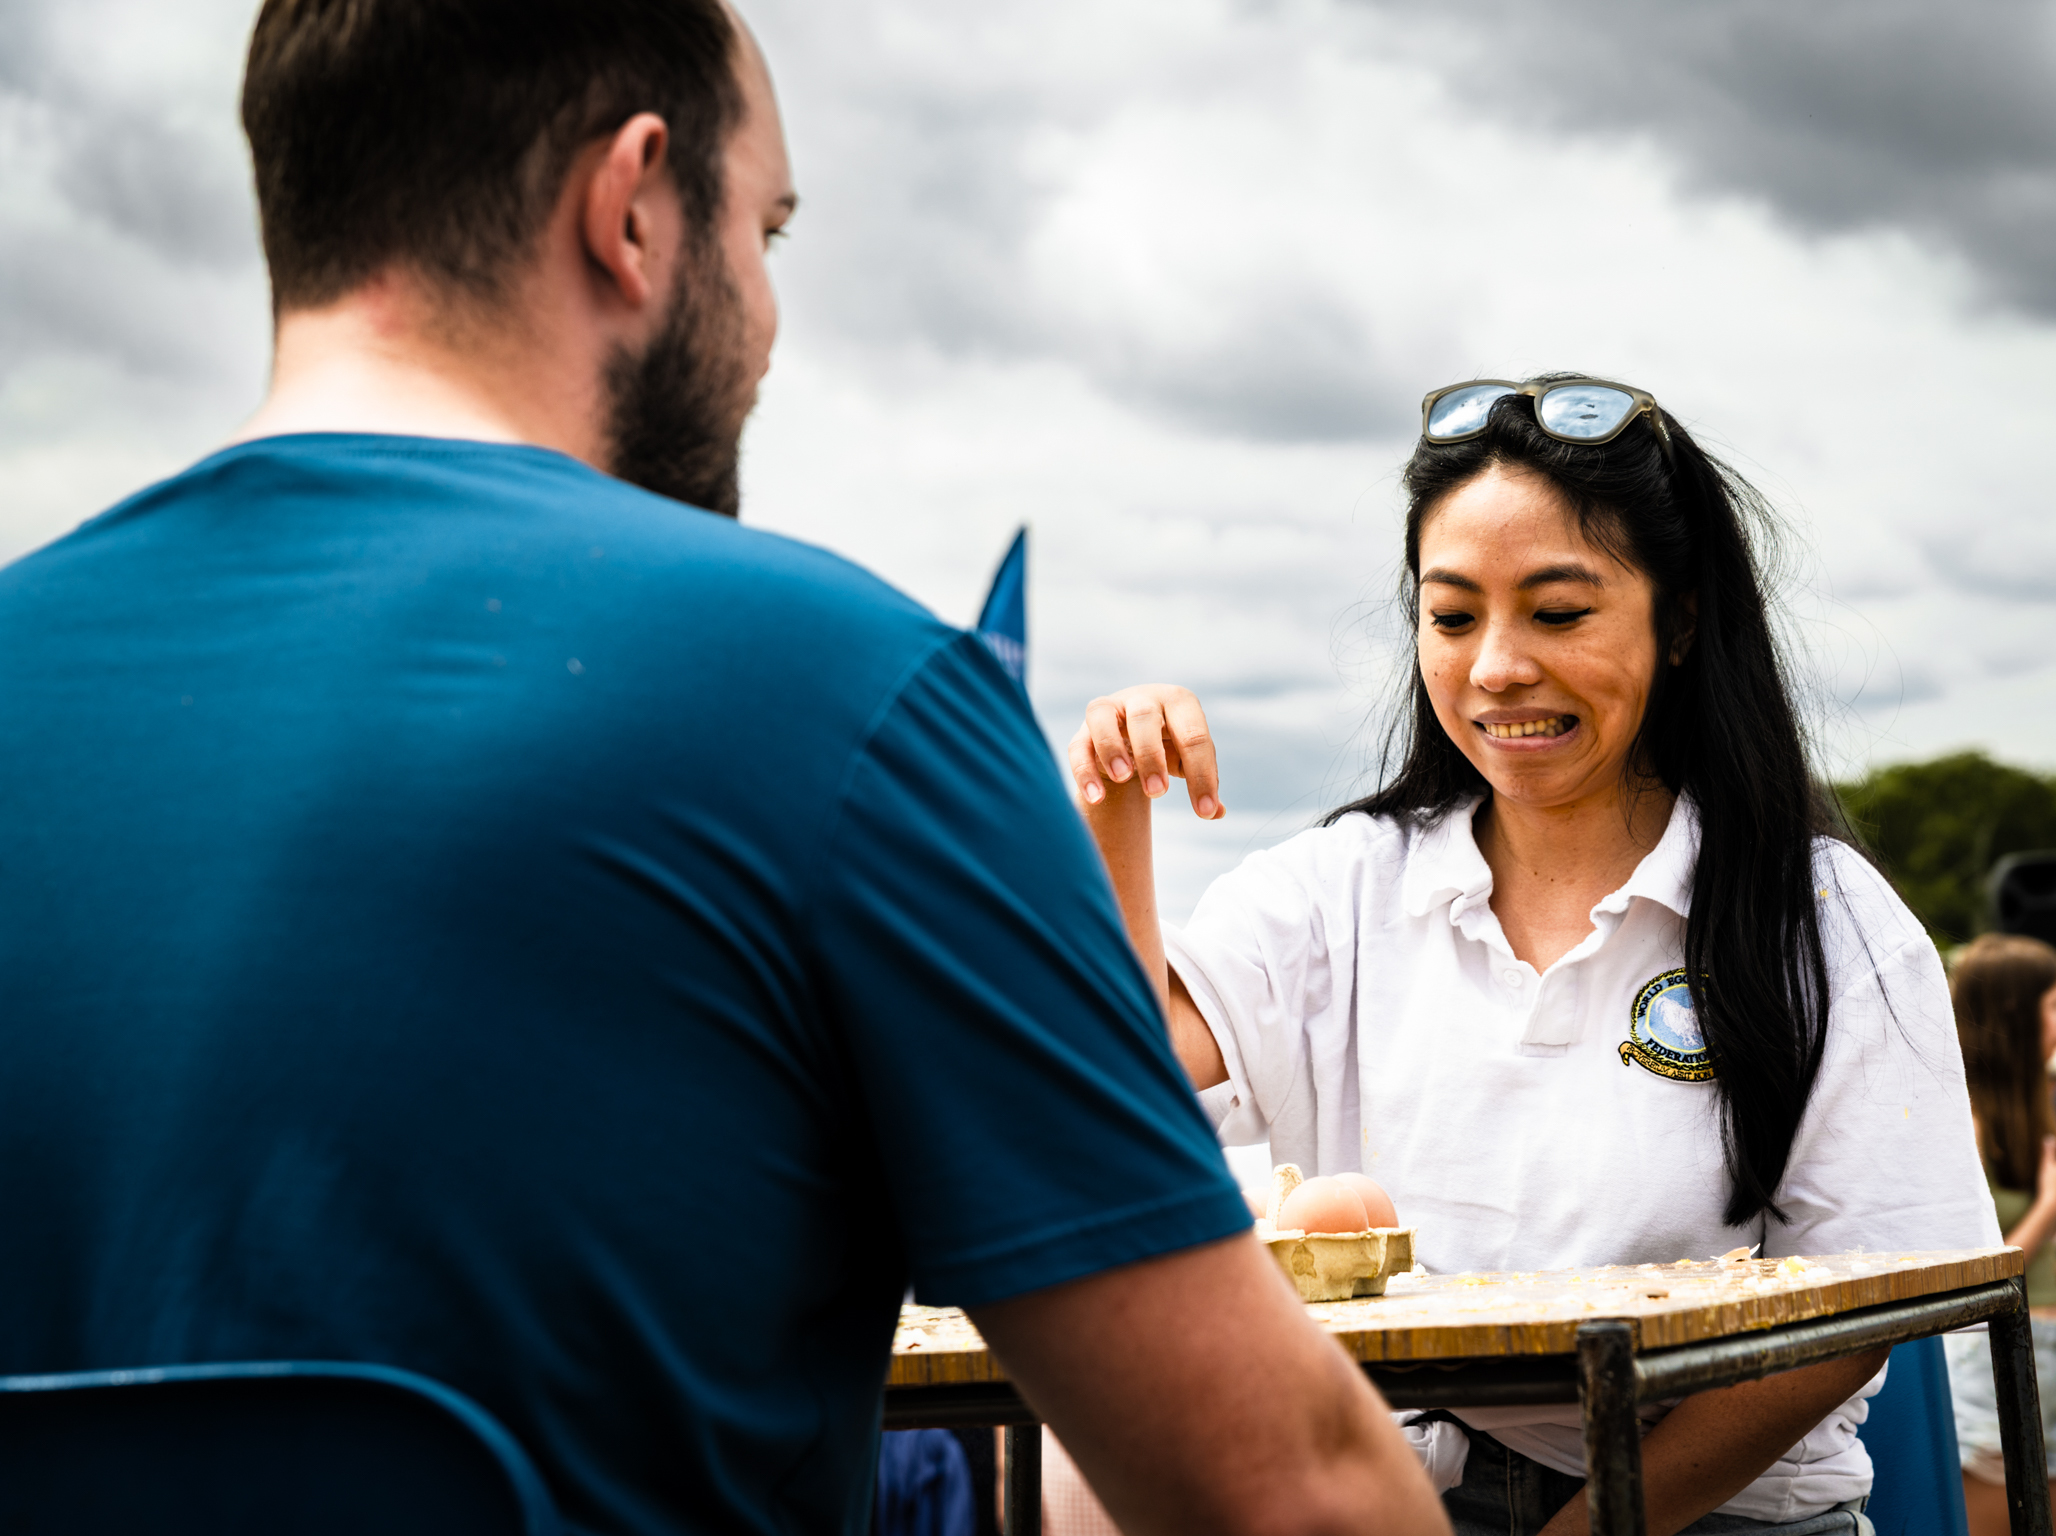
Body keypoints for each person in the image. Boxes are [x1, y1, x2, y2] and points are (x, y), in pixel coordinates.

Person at [0, 6, 1448, 1535]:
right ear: (631, 208)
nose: (765, 314)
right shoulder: (850, 699)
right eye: (764, 228)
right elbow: (1289, 1500)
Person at [1069, 375, 2000, 1535]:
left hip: (1718, 1514)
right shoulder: (1343, 884)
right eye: (1452, 617)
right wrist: (1113, 810)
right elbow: (1112, 1079)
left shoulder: (1816, 917)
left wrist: (1586, 1527)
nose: (1495, 667)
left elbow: (1858, 1312)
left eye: (1557, 614)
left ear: (1681, 620)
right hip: (1402, 1497)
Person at [1942, 935, 2056, 1536]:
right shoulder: (1968, 1122)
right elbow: (1973, 1271)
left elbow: (2031, 1262)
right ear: (2016, 1014)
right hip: (1989, 1355)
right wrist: (2054, 1202)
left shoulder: (2037, 1109)